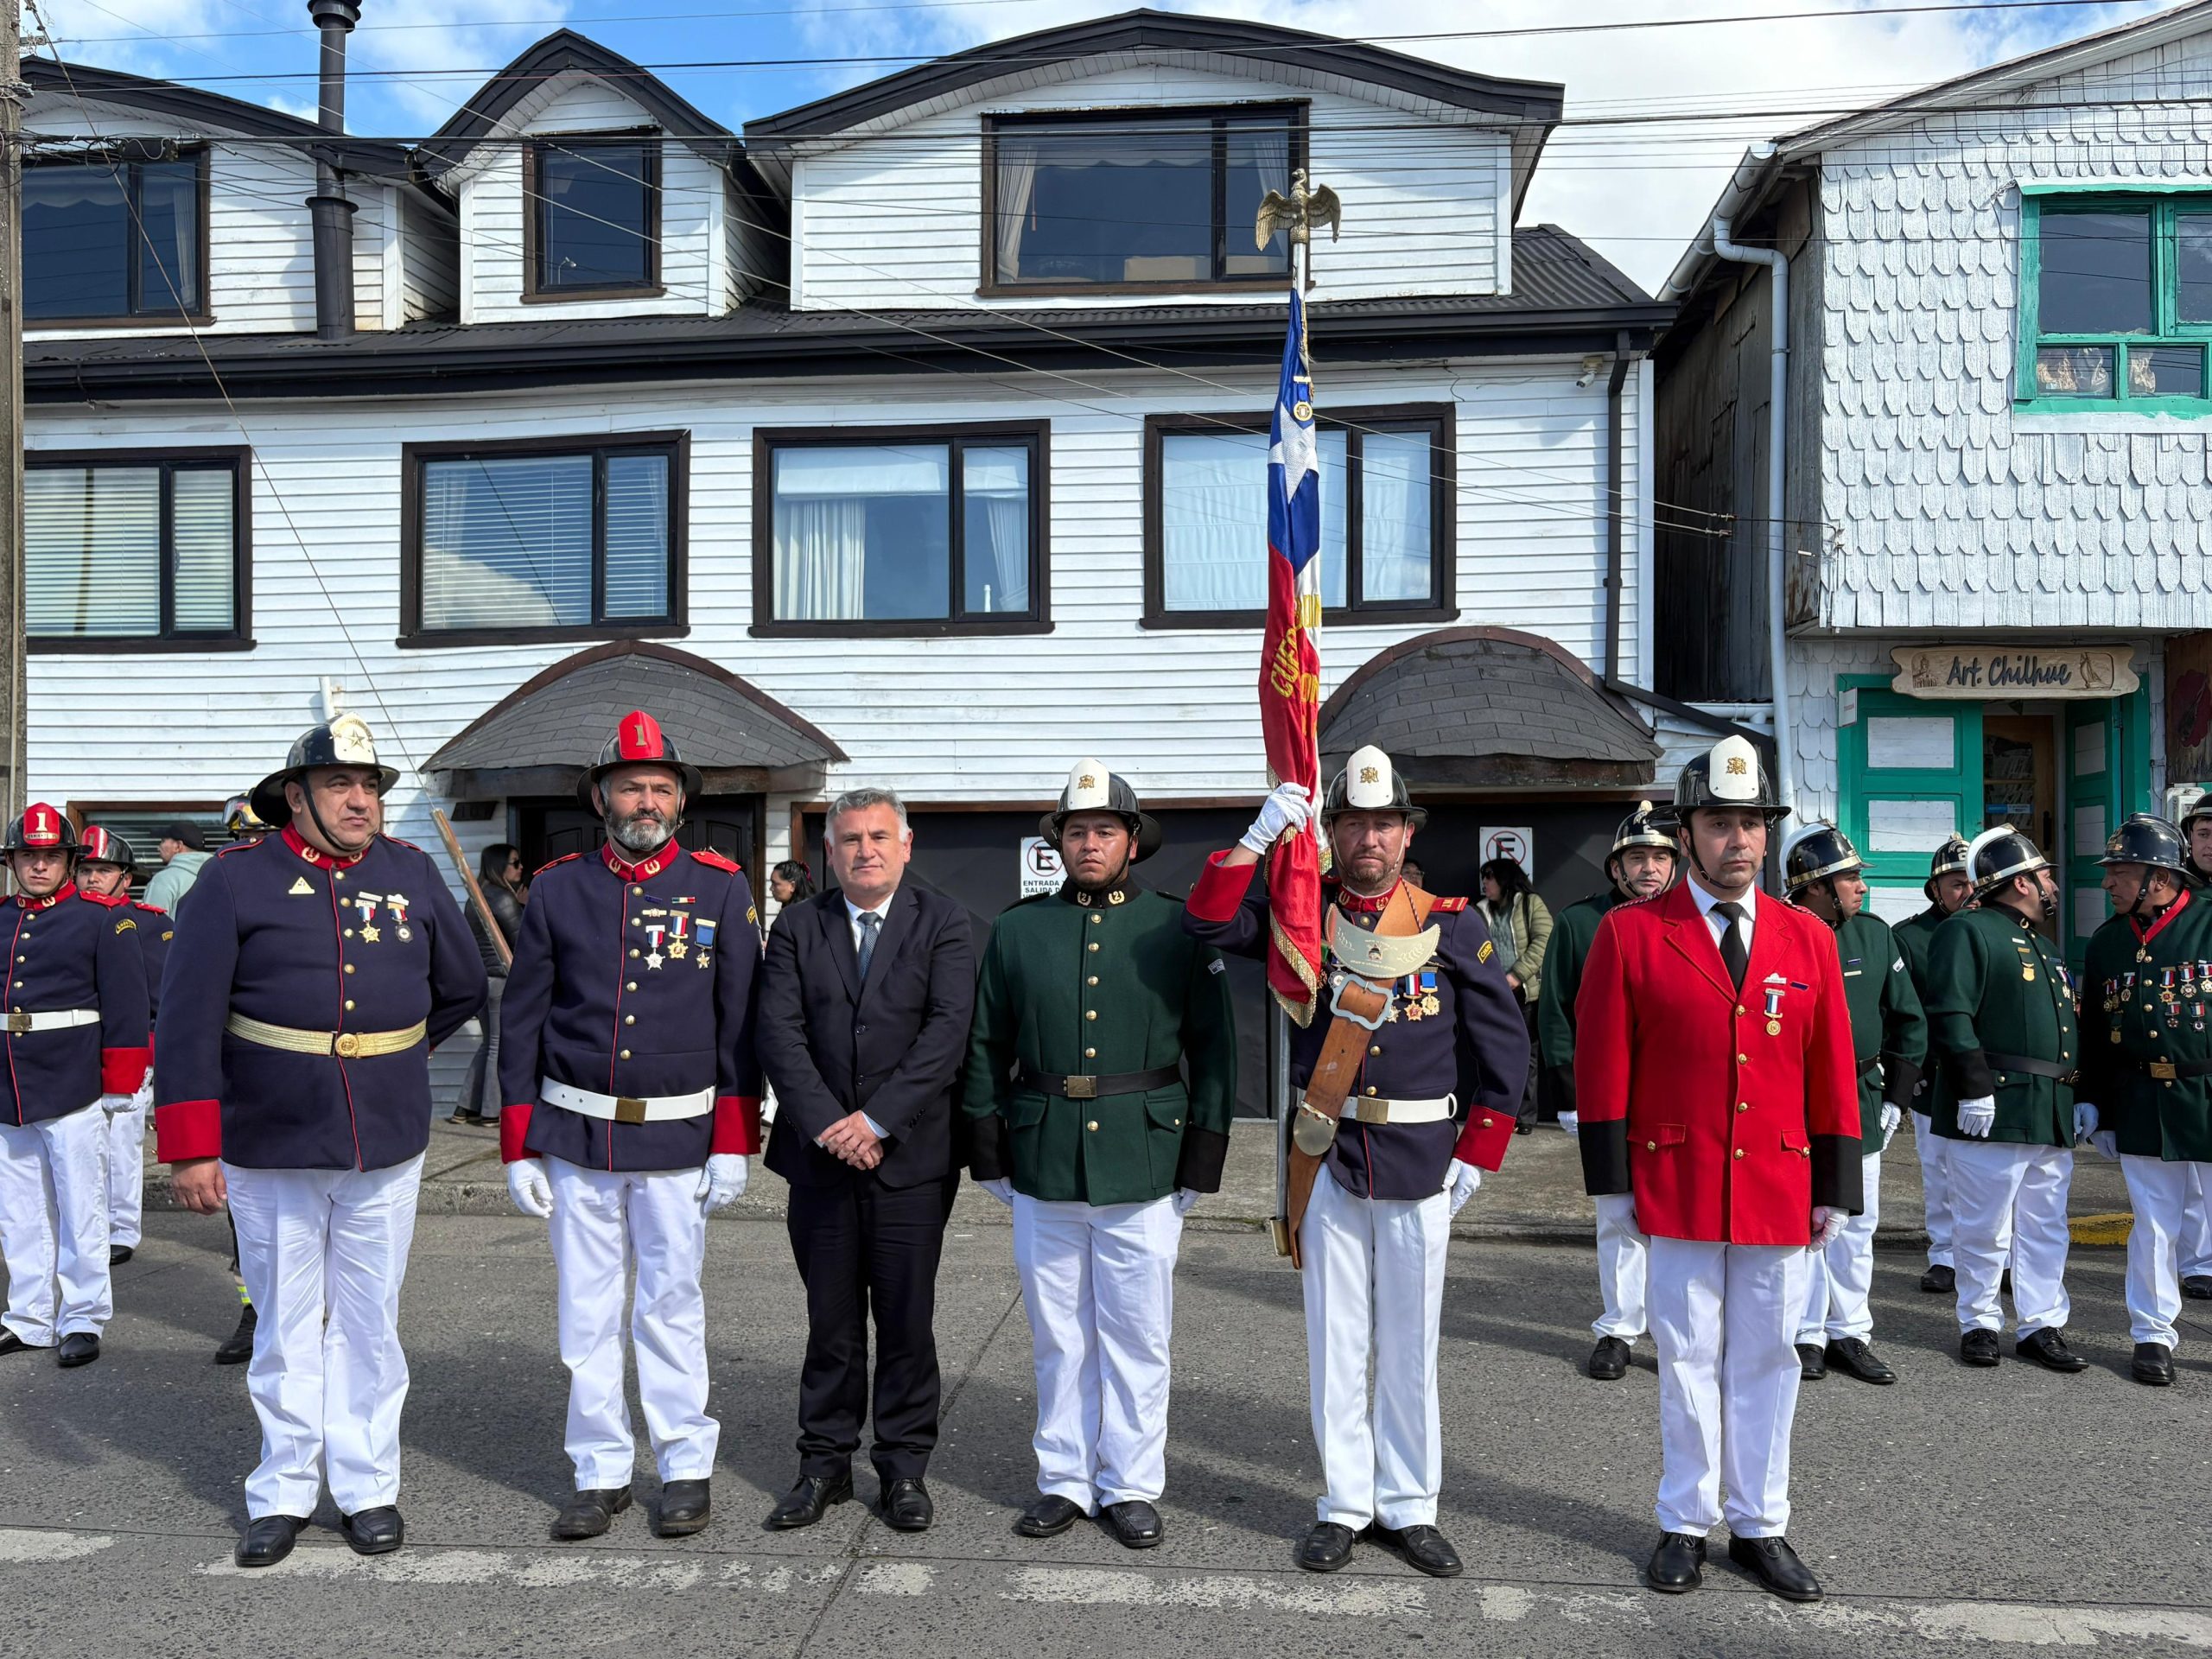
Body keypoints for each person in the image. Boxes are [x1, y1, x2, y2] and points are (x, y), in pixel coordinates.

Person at [1186, 746, 1526, 1580]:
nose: (1369, 837)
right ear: (1329, 833)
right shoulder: (1303, 912)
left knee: (1409, 1345)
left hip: (1421, 1158)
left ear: (1407, 833)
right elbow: (1203, 921)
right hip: (1326, 1153)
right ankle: (1344, 1503)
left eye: (1384, 822)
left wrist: (1477, 1152)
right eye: (1351, 822)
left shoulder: (1451, 921)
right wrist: (1260, 841)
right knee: (1336, 1342)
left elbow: (1503, 1046)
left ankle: (1409, 1505)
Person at [156, 715, 486, 1567]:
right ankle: (283, 1491)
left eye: (371, 785)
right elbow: (186, 1018)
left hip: (385, 1140)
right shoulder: (233, 882)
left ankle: (368, 1488)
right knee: (287, 1328)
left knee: (370, 1327)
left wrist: (388, 1058)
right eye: (340, 784)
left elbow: (456, 988)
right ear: (294, 798)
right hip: (268, 1139)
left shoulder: (411, 874)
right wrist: (192, 1145)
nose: (360, 800)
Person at [1575, 734, 1859, 1605]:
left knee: (1770, 1356)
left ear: (1767, 835)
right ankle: (1684, 1521)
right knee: (1687, 1354)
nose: (1737, 839)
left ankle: (1760, 1524)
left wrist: (1837, 1186)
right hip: (1677, 1177)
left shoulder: (1805, 938)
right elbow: (1601, 1064)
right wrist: (1611, 1184)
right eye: (1718, 823)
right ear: (1687, 833)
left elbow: (1831, 1066)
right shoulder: (1630, 934)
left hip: (1778, 1181)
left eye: (1751, 823)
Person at [499, 711, 763, 1543]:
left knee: (671, 1307)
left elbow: (741, 1022)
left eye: (661, 787)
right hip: (576, 1136)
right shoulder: (557, 886)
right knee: (587, 1312)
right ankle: (600, 1469)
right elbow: (525, 1017)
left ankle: (685, 1463)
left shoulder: (721, 886)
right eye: (631, 786)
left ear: (679, 803)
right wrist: (519, 1139)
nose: (645, 799)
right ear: (602, 795)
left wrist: (732, 1136)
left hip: (680, 1138)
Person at [963, 760, 1236, 1552]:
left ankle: (1130, 1484)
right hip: (1043, 1154)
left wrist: (1201, 1160)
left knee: (1137, 1334)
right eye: (1076, 831)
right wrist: (989, 1152)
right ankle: (1063, 1480)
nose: (1090, 843)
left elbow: (1215, 1048)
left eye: (1104, 831)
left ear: (1131, 843)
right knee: (1060, 1335)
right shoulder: (1019, 928)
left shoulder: (1175, 926)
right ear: (1057, 842)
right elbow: (986, 1044)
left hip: (1144, 1155)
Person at [758, 788, 974, 1535]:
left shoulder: (944, 922)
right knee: (832, 1323)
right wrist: (831, 1126)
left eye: (880, 836)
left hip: (910, 1159)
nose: (865, 850)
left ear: (906, 845)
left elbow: (948, 1033)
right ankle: (823, 1466)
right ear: (830, 850)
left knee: (908, 1322)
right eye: (849, 839)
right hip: (820, 1160)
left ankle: (904, 1469)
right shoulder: (796, 926)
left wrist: (877, 1120)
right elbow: (778, 1034)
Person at [1923, 825, 2088, 1374]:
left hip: (2048, 1108)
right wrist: (1973, 1086)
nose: (2051, 886)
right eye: (2043, 876)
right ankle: (1979, 1322)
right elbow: (1950, 1013)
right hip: (1993, 1104)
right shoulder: (1967, 931)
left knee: (2045, 1225)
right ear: (2018, 883)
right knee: (1983, 1225)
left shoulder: (2043, 944)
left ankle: (2042, 1324)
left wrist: (2079, 1094)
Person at [0, 806, 150, 1370]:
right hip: (9, 1084)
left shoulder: (102, 920)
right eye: (29, 856)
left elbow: (128, 1007)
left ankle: (82, 1316)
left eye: (52, 856)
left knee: (81, 1205)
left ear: (69, 861)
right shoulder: (0, 918)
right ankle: (30, 1317)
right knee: (18, 1210)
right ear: (13, 861)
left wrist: (120, 1085)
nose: (40, 866)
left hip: (75, 1081)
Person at [1782, 823, 1926, 1387]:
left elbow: (1909, 1018)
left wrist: (1897, 1095)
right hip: (1792, 1101)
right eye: (1849, 878)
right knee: (1802, 1223)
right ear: (1815, 886)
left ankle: (1850, 1333)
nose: (1861, 887)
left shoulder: (1873, 935)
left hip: (1861, 1097)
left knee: (1857, 1226)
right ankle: (1805, 1333)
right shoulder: (1775, 934)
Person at [1542, 801, 1675, 1380]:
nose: (1649, 869)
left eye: (1660, 858)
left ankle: (1676, 1332)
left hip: (1675, 1096)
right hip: (1607, 1097)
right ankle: (1621, 1328)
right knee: (1618, 1216)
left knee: (1676, 1217)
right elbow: (1556, 1013)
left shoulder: (1695, 920)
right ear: (1615, 868)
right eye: (1637, 858)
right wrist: (1572, 1097)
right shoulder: (1578, 923)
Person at [2078, 815, 2212, 1387]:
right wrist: (2096, 1103)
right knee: (2153, 1226)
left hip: (2207, 1092)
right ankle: (2153, 1335)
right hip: (2140, 1099)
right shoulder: (2108, 942)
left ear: (2159, 876)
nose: (2108, 883)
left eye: (2120, 872)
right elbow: (2093, 1036)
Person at [73, 826, 172, 1266]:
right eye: (86, 869)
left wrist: (149, 1049)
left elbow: (161, 995)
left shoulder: (150, 924)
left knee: (120, 1144)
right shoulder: (62, 918)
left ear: (125, 879)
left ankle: (121, 1229)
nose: (93, 878)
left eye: (104, 870)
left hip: (131, 1048)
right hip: (72, 1051)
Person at [1892, 835, 1974, 1294]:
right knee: (1938, 1169)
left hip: (1990, 1072)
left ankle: (1994, 1257)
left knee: (1989, 1176)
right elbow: (1903, 1012)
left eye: (1971, 883)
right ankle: (1944, 1253)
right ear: (1935, 888)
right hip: (1935, 1074)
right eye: (1955, 883)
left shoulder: (1997, 931)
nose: (1965, 892)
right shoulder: (1908, 937)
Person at [1478, 855, 1552, 1133]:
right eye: (1484, 878)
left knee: (1527, 1056)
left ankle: (1524, 1117)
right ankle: (1498, 1115)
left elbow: (1545, 940)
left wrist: (1516, 976)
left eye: (1490, 877)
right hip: (1491, 995)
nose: (1485, 883)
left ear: (1505, 879)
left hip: (1524, 995)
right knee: (1494, 1055)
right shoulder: (1480, 910)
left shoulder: (1530, 903)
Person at [453, 843, 524, 1127]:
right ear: (499, 866)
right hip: (502, 980)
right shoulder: (504, 899)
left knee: (488, 1044)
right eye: (515, 862)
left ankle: (464, 1108)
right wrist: (523, 906)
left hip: (482, 981)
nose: (520, 868)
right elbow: (522, 942)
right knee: (498, 1045)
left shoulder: (476, 897)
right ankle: (491, 1112)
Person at [2178, 789, 2212, 1302]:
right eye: (2204, 834)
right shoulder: (2178, 899)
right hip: (2189, 1050)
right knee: (2189, 1173)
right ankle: (2198, 1260)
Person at [142, 819, 211, 914]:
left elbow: (152, 925)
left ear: (178, 846)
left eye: (163, 841)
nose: (158, 848)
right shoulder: (216, 876)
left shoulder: (164, 880)